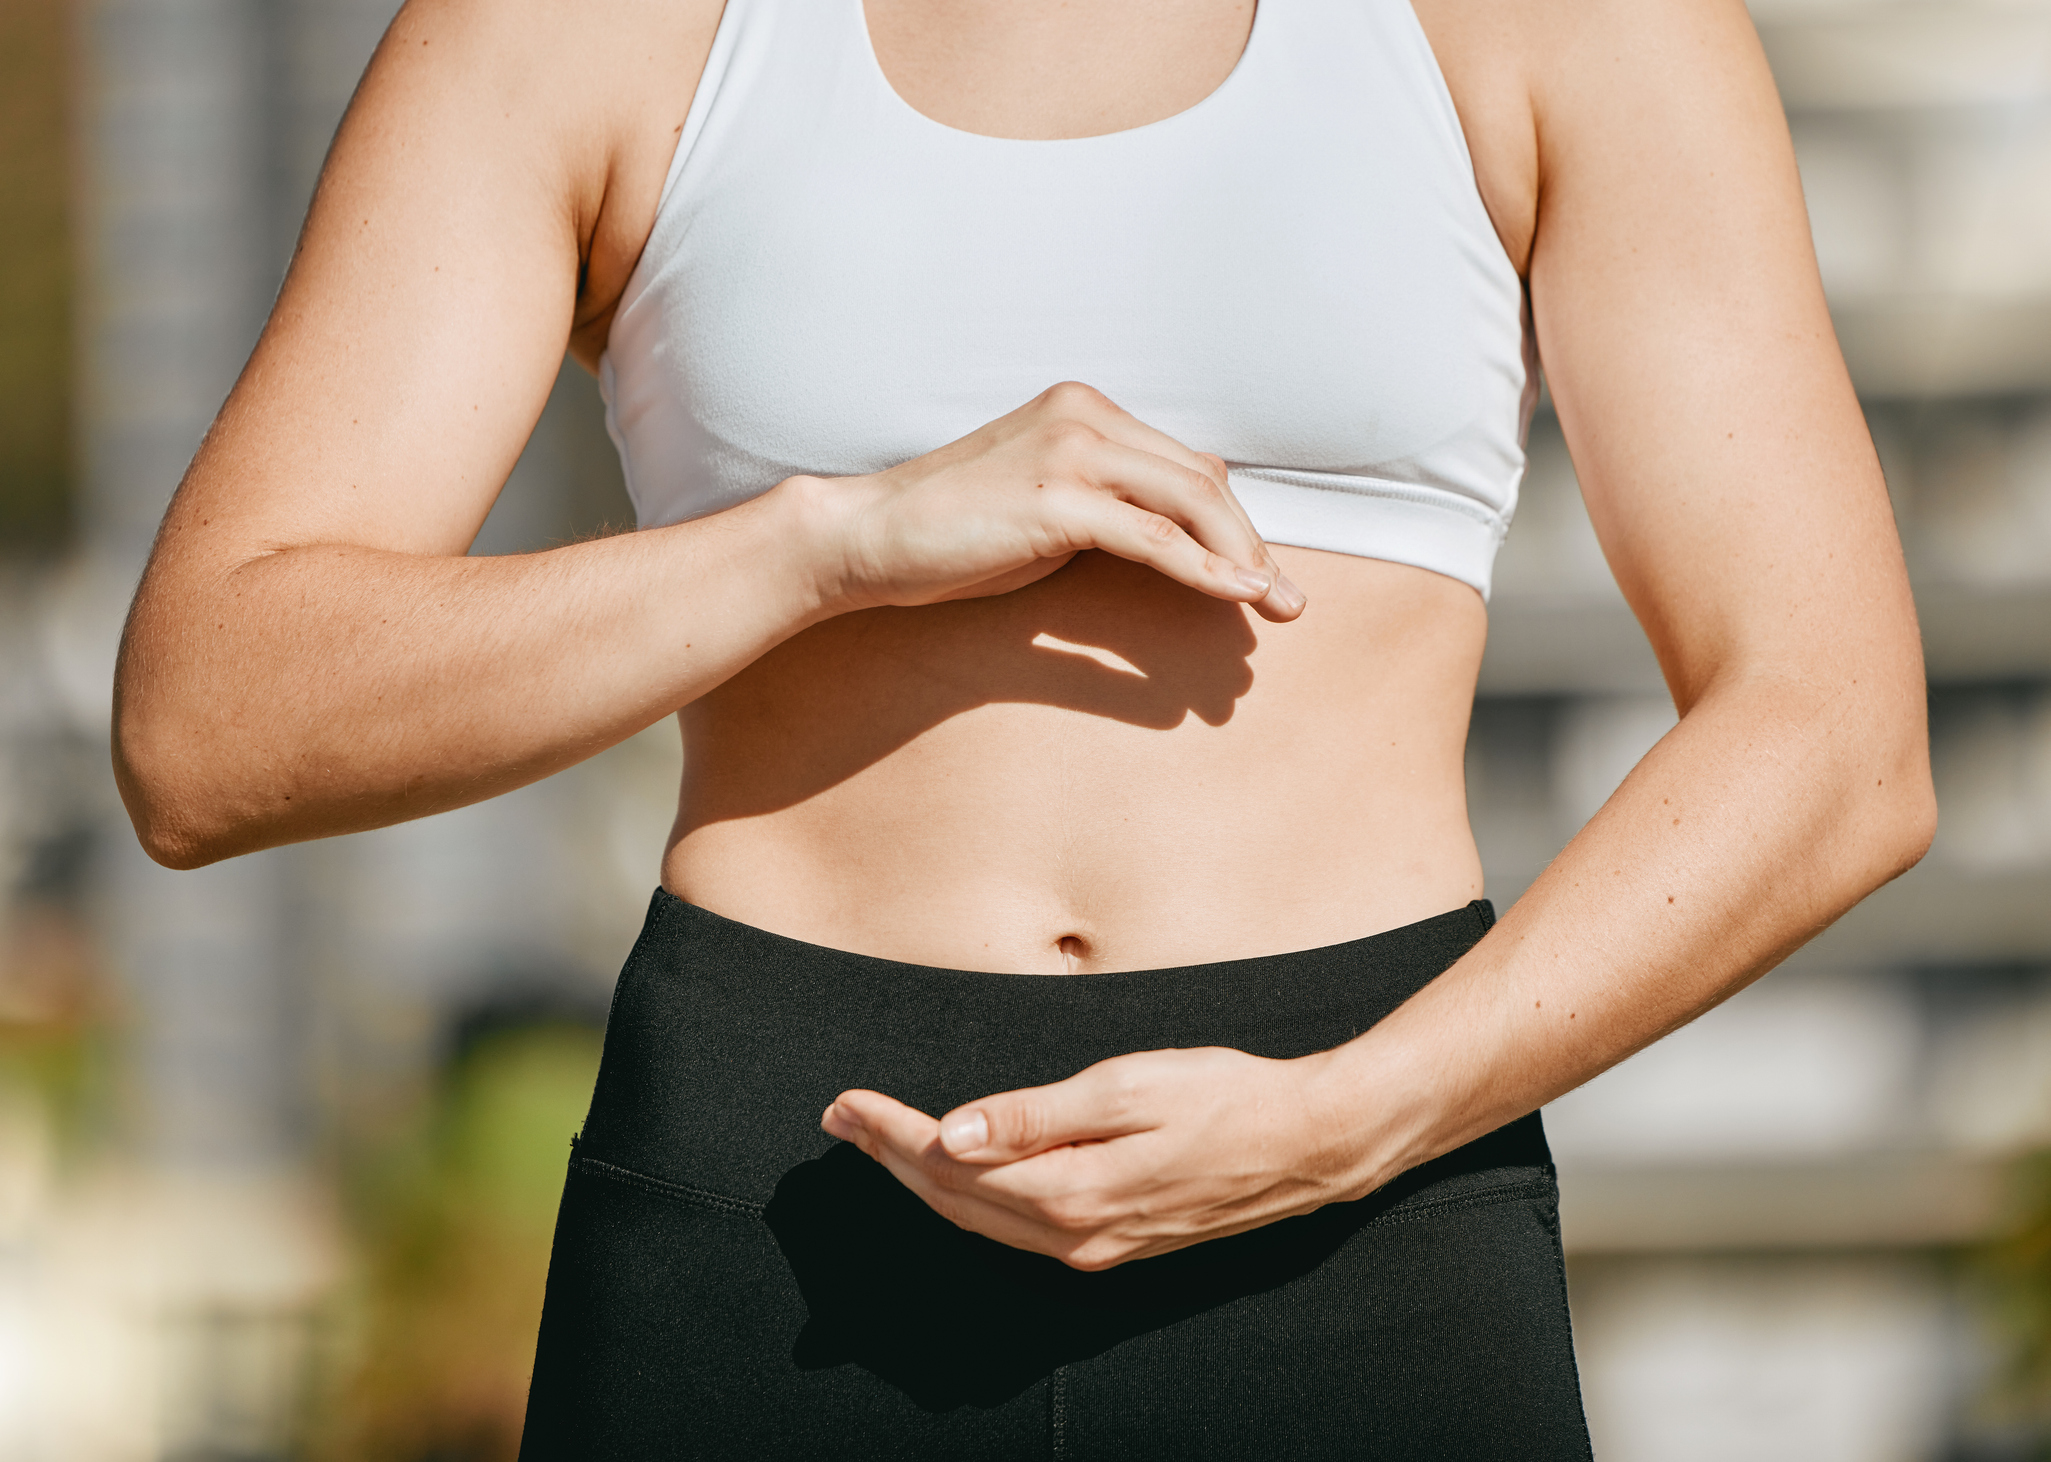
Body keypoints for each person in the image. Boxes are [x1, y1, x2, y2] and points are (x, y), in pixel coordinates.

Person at [110, 0, 1935, 1454]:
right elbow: (211, 719)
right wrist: (830, 540)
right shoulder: (586, 28)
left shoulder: (1558, 25)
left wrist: (1354, 1116)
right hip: (775, 1190)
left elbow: (1835, 731)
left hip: (1364, 1194)